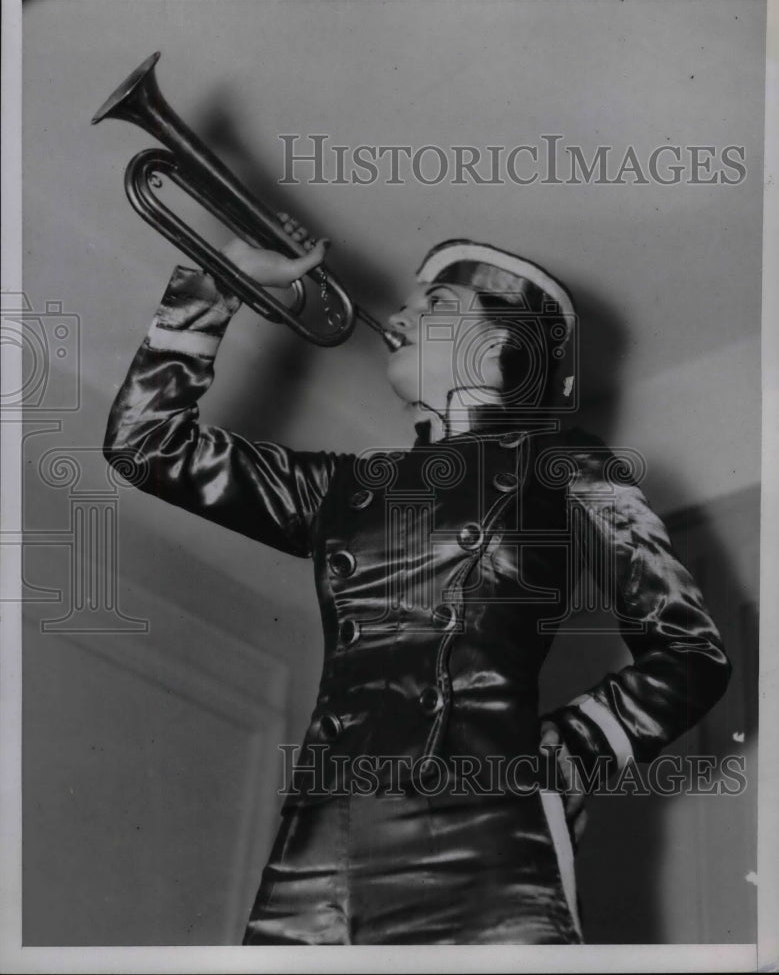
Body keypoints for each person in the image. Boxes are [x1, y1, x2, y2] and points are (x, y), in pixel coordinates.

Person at [103, 224, 731, 945]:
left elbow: (689, 654)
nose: (398, 318)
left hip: (482, 827)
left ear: (498, 350)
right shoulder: (344, 486)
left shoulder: (566, 464)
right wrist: (213, 285)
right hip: (319, 841)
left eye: (435, 305)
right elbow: (145, 446)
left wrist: (571, 752)